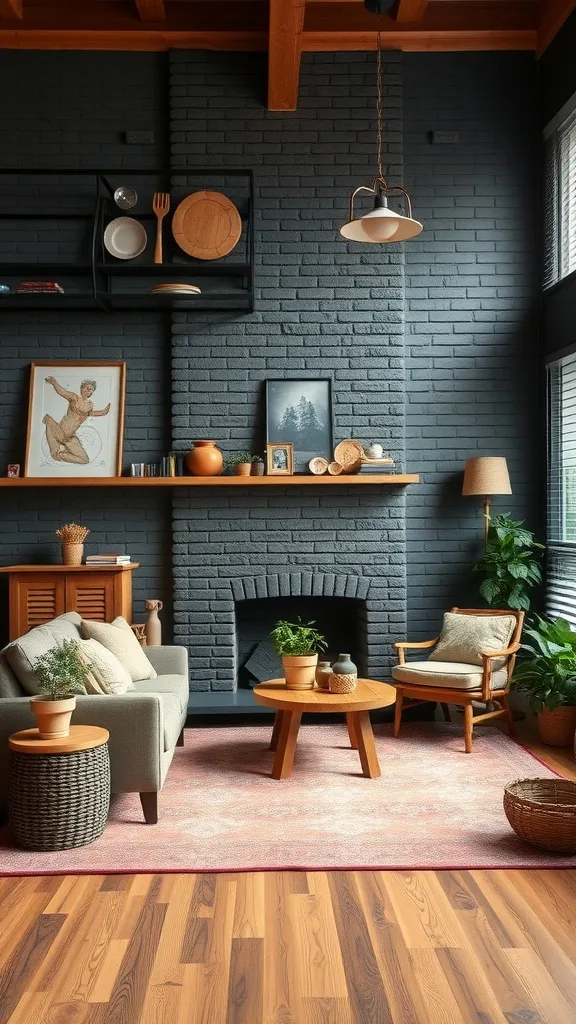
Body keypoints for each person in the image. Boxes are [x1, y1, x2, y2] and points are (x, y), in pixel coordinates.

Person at [42, 377, 110, 465]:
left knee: (84, 460)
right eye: (87, 387)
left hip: (70, 437)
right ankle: (58, 452)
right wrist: (54, 383)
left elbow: (91, 413)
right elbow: (62, 392)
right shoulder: (74, 398)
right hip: (60, 431)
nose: (89, 390)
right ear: (81, 388)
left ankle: (62, 454)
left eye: (91, 389)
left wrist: (103, 412)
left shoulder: (89, 405)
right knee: (54, 454)